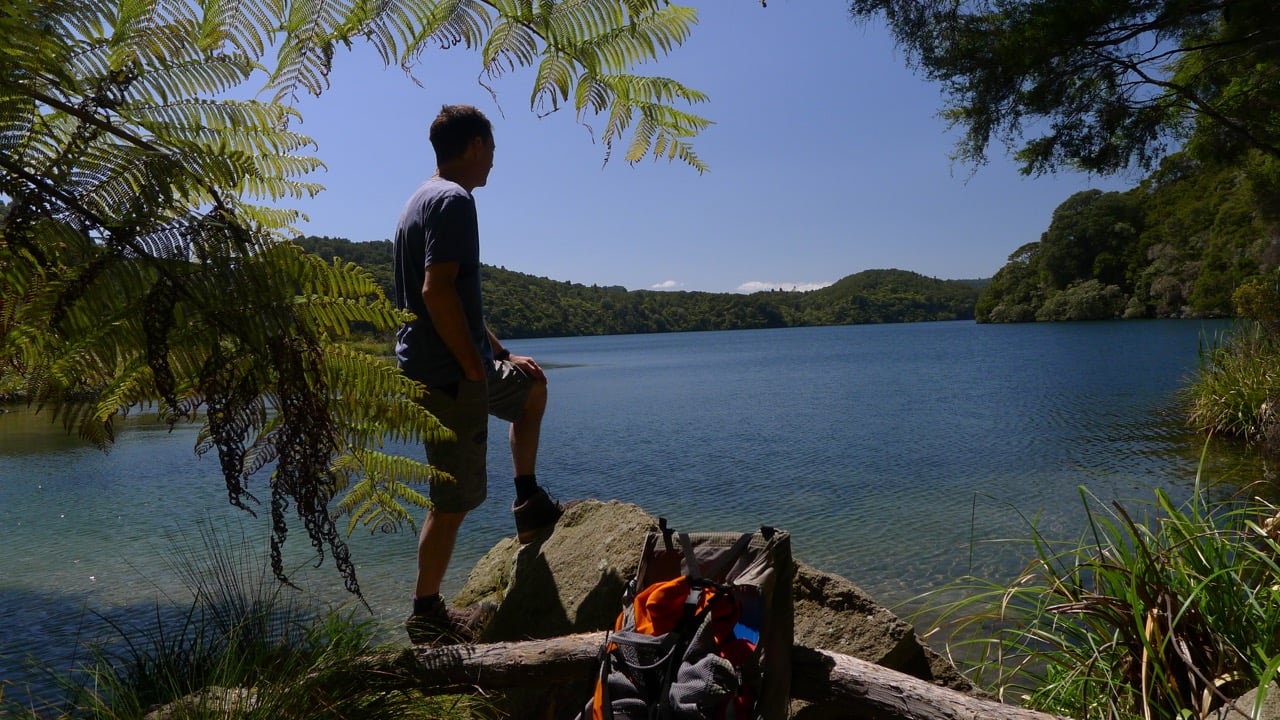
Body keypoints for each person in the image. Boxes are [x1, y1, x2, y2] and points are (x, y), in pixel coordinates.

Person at [393, 104, 562, 644]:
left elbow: (461, 301)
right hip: (448, 373)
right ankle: (427, 615)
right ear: (473, 146)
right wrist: (472, 367)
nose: (493, 161)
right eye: (491, 149)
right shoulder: (454, 200)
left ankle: (528, 501)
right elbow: (434, 291)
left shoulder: (420, 198)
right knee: (452, 500)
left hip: (446, 364)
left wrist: (499, 356)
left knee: (531, 386)